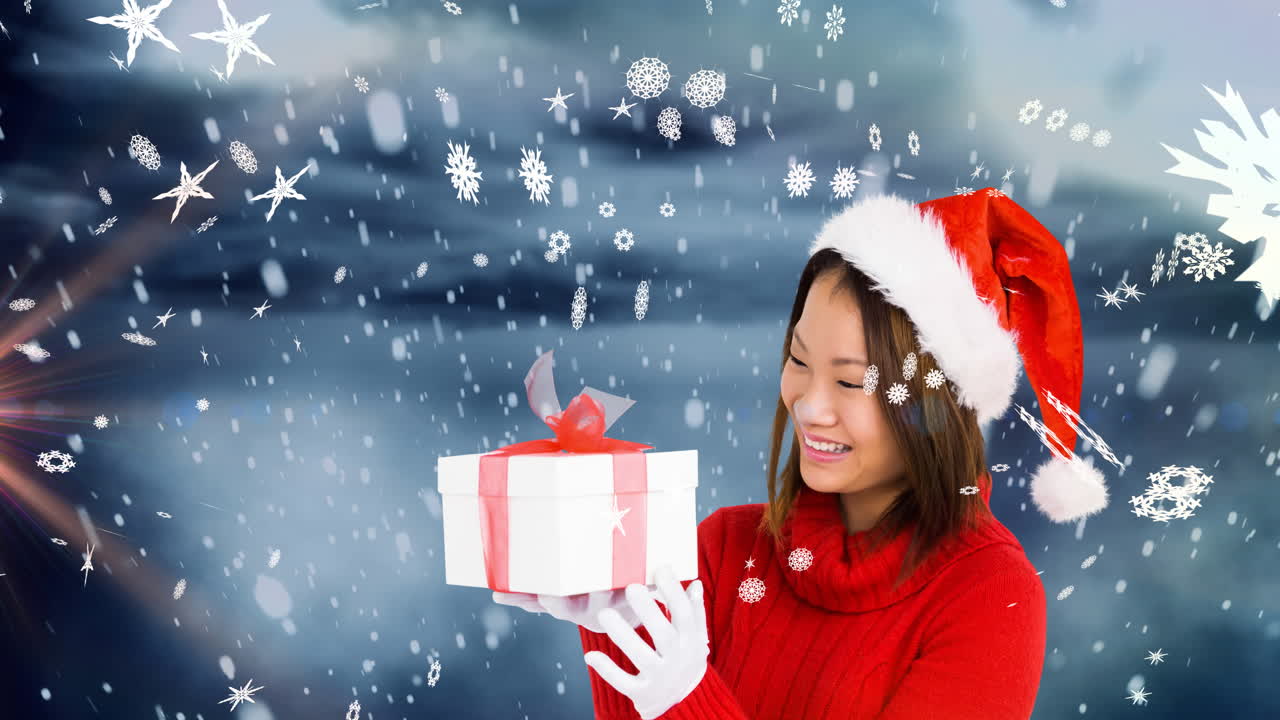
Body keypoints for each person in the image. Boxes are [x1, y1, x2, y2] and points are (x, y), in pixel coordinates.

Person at [496, 189, 1111, 719]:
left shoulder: (989, 597)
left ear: (937, 404)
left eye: (850, 381)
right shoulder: (724, 549)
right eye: (798, 360)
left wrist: (687, 699)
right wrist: (612, 625)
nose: (808, 406)